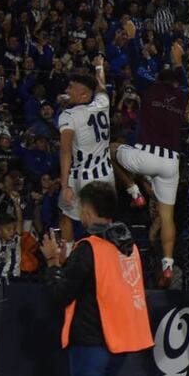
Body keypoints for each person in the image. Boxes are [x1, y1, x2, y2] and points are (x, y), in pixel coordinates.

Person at [41, 181, 154, 376]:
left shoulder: (88, 248)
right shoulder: (128, 245)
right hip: (120, 343)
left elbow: (61, 294)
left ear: (88, 212)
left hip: (90, 346)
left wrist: (53, 262)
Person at [110, 41, 187, 287]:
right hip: (171, 163)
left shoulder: (151, 88)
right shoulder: (182, 95)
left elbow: (134, 64)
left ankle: (134, 192)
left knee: (111, 149)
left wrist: (132, 39)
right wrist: (178, 60)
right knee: (167, 217)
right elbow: (183, 77)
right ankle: (167, 264)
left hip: (146, 157)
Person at [58, 58, 114, 243]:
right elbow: (100, 86)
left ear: (83, 95)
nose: (67, 91)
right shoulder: (102, 104)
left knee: (66, 217)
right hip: (106, 176)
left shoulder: (68, 116)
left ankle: (68, 258)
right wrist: (99, 66)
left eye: (71, 88)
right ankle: (104, 257)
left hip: (82, 176)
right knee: (105, 220)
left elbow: (65, 151)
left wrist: (65, 185)